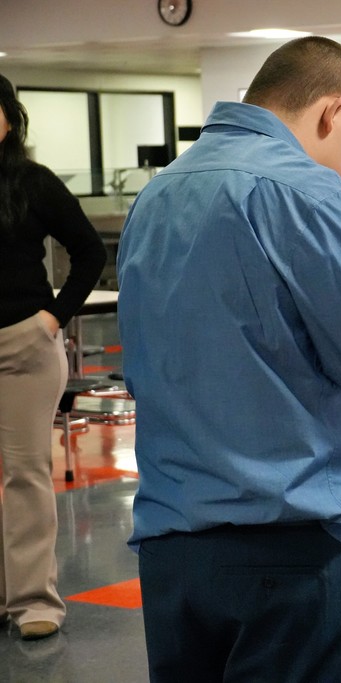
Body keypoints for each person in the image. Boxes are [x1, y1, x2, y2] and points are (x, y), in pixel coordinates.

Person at [115, 37, 341, 682]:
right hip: (289, 541)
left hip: (173, 541)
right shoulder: (306, 189)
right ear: (333, 112)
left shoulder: (159, 192)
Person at [0, 73, 106, 641]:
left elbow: (88, 250)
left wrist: (53, 316)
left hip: (23, 345)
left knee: (25, 476)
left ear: (9, 120)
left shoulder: (32, 183)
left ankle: (34, 601)